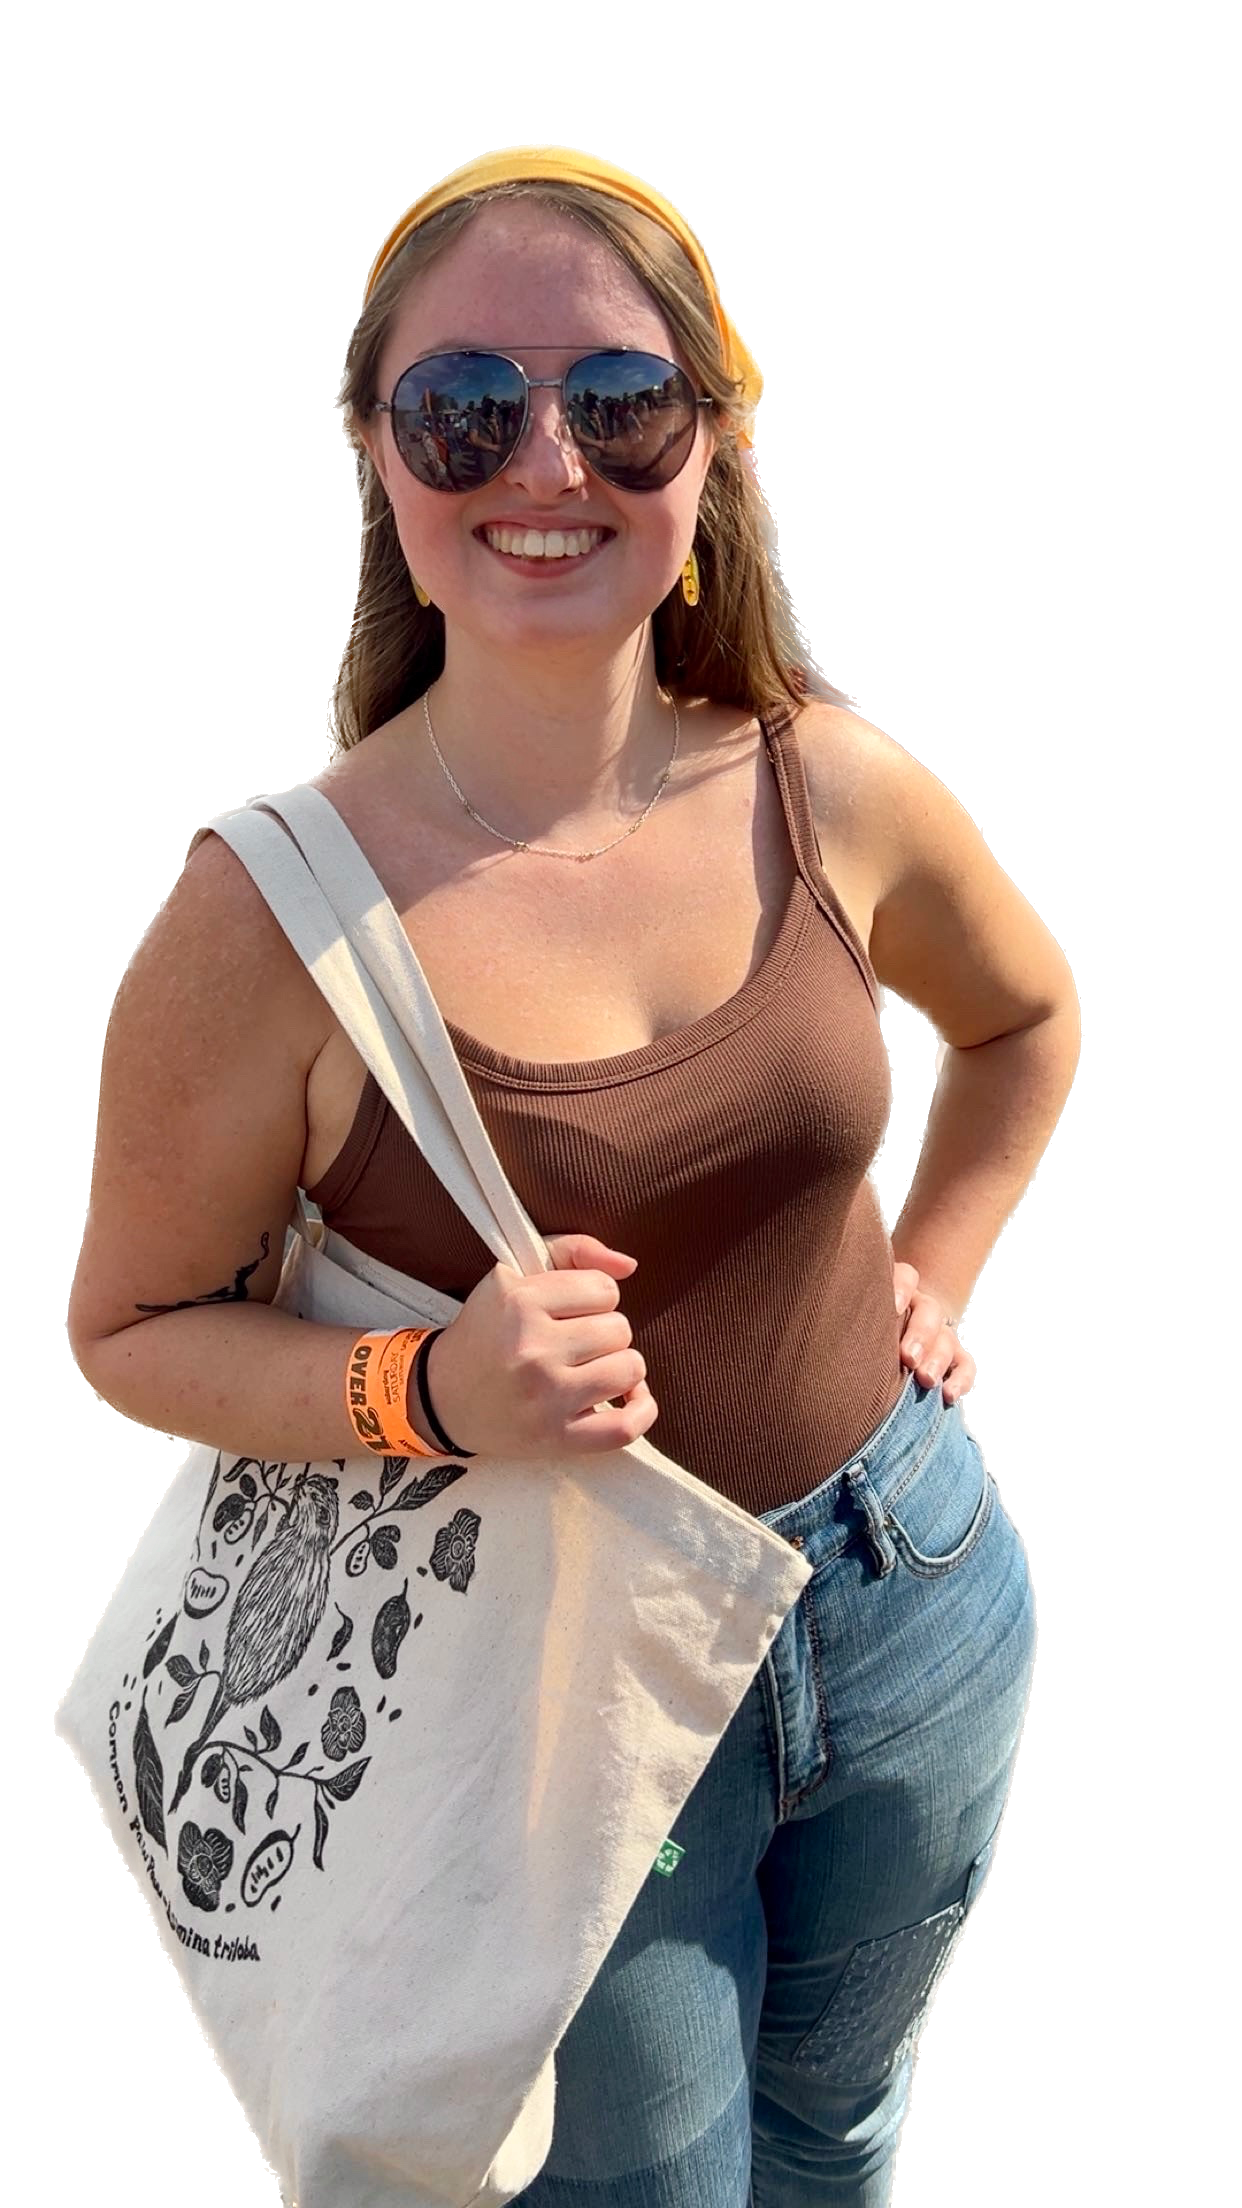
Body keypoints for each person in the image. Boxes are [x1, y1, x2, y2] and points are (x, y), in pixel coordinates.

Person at [66, 148, 1077, 2205]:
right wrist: (421, 1393)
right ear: (379, 457)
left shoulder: (825, 778)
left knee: (843, 2131)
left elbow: (1026, 1019)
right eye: (467, 408)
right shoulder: (265, 917)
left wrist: (938, 1267)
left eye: (622, 401)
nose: (548, 460)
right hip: (555, 1702)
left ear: (712, 446)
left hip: (910, 1597)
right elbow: (128, 1329)